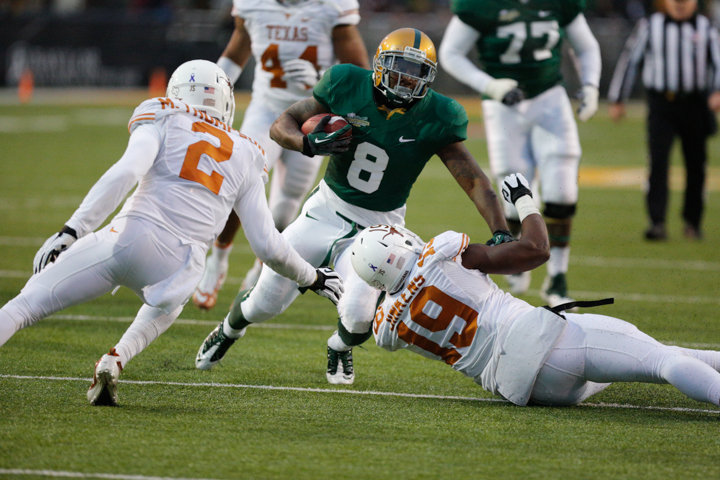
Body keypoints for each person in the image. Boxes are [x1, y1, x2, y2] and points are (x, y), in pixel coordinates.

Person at [0, 60, 343, 406]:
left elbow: (126, 172)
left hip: (130, 236)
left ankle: (113, 356)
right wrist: (312, 276)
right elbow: (268, 246)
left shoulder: (163, 113)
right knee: (168, 304)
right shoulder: (246, 151)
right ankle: (116, 358)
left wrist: (73, 229)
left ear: (177, 93)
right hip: (180, 268)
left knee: (24, 306)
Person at [194, 28, 511, 385]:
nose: (407, 78)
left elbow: (473, 179)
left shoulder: (439, 113)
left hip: (379, 227)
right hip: (325, 210)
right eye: (400, 66)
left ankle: (339, 346)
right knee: (265, 302)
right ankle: (230, 328)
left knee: (361, 315)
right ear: (379, 64)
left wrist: (500, 229)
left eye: (417, 71)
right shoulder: (345, 82)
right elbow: (281, 124)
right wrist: (307, 144)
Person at [350, 173, 720, 408]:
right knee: (660, 362)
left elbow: (371, 319)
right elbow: (536, 250)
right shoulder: (442, 254)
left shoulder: (387, 327)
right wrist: (524, 200)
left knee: (653, 352)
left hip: (523, 390)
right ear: (397, 247)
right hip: (542, 342)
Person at [192, 0, 370, 310]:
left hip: (313, 113)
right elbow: (237, 52)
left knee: (286, 206)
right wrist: (211, 93)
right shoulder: (254, 5)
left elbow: (360, 76)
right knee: (239, 180)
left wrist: (320, 79)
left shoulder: (332, 7)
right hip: (267, 109)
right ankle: (218, 258)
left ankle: (261, 267)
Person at [438, 0, 602, 307]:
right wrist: (491, 85)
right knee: (512, 187)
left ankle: (557, 276)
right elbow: (450, 53)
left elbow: (587, 47)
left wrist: (591, 85)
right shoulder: (480, 5)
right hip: (503, 105)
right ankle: (517, 254)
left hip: (550, 97)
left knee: (562, 191)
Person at [608, 0, 720, 241]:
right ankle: (656, 222)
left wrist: (717, 91)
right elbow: (630, 60)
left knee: (696, 164)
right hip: (661, 104)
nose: (679, 5)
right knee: (658, 162)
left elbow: (718, 63)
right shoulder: (650, 25)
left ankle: (693, 222)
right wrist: (618, 99)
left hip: (695, 104)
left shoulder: (706, 27)